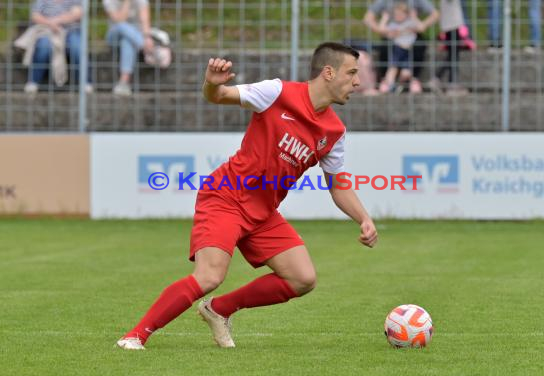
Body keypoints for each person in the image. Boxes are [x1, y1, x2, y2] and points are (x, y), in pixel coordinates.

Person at [116, 42, 378, 350]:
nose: (358, 82)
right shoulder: (277, 92)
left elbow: (338, 184)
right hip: (226, 197)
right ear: (329, 72)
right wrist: (211, 85)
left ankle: (219, 309)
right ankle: (135, 335)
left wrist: (363, 218)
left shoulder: (334, 131)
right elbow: (219, 96)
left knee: (302, 278)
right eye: (352, 73)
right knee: (209, 276)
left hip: (263, 213)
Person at [363, 0, 439, 94]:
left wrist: (422, 25)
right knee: (386, 46)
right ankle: (387, 79)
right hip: (391, 35)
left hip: (411, 35)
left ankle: (412, 78)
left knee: (419, 44)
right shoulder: (383, 2)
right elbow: (368, 18)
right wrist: (382, 31)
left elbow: (435, 14)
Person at [21, 0, 93, 94]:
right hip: (47, 31)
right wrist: (50, 24)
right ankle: (33, 82)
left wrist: (57, 21)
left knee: (77, 47)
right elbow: (35, 16)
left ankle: (85, 82)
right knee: (43, 46)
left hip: (71, 31)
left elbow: (78, 13)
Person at [103, 0, 154, 96]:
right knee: (122, 26)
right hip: (114, 36)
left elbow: (145, 20)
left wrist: (147, 37)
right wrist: (127, 2)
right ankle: (148, 49)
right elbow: (119, 20)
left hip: (133, 37)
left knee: (127, 41)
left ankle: (123, 82)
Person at [429, 0, 472, 96]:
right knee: (453, 54)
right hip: (452, 24)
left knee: (453, 54)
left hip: (450, 23)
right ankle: (448, 82)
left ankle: (446, 80)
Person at [377, 2, 419, 93]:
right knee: (392, 69)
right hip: (398, 51)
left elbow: (420, 27)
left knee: (406, 73)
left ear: (406, 14)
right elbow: (381, 30)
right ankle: (388, 84)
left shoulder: (410, 23)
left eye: (400, 14)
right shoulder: (393, 25)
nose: (398, 16)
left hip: (408, 51)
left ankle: (400, 85)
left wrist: (414, 16)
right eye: (396, 14)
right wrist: (385, 18)